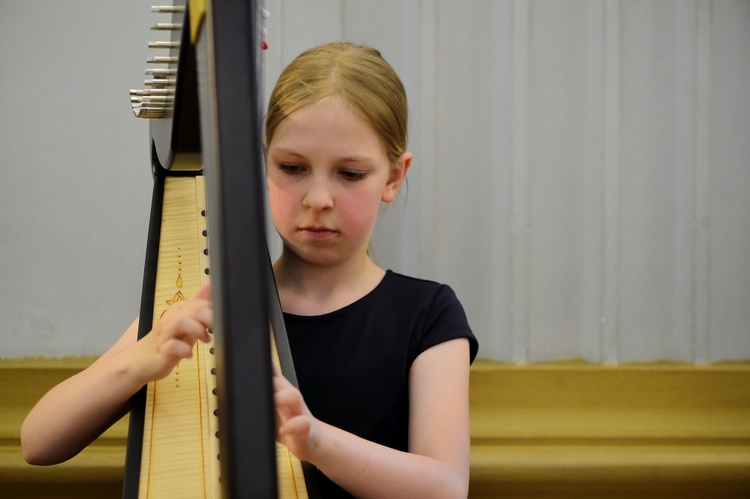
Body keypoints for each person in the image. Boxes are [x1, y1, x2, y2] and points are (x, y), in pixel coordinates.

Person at [21, 42, 478, 498]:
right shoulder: (207, 301)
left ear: (394, 177)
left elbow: (445, 487)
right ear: (262, 160)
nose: (318, 198)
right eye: (293, 167)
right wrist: (141, 361)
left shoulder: (427, 315)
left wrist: (318, 442)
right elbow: (38, 442)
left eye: (350, 173)